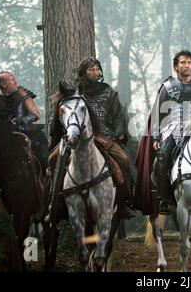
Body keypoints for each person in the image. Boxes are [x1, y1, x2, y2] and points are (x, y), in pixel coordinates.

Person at [49, 57, 136, 220]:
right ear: (83, 73)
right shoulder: (74, 92)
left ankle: (124, 202)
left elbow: (117, 115)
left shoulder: (108, 91)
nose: (95, 73)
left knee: (123, 159)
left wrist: (119, 132)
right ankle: (54, 203)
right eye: (91, 70)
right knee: (53, 160)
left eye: (97, 69)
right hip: (76, 137)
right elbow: (63, 111)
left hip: (104, 136)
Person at [136, 50, 191, 215]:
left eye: (189, 62)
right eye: (183, 62)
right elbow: (157, 114)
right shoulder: (167, 87)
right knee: (162, 158)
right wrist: (155, 137)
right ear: (176, 67)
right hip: (173, 128)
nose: (186, 65)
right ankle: (163, 197)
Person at [0, 71, 49, 172]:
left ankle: (50, 183)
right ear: (3, 84)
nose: (15, 82)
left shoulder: (22, 93)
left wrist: (22, 121)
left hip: (28, 134)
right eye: (12, 80)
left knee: (46, 163)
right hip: (3, 138)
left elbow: (36, 114)